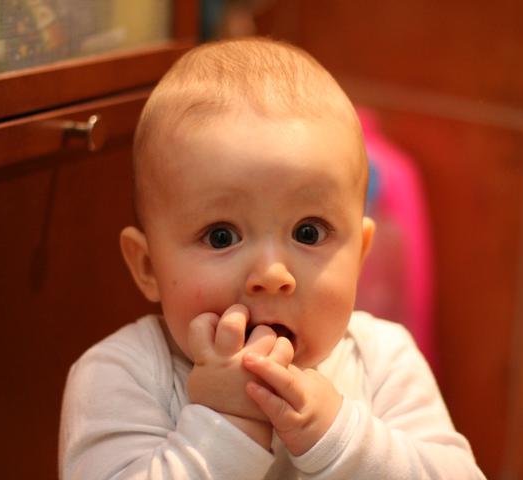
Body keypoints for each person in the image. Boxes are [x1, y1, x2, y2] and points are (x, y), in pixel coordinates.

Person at [58, 37, 485, 480]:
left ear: (359, 254)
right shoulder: (120, 374)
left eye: (308, 232)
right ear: (148, 267)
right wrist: (225, 426)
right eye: (221, 236)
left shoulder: (383, 360)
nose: (272, 274)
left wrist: (341, 438)